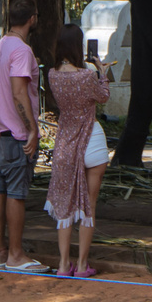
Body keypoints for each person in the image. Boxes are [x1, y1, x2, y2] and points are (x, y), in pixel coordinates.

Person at [43, 24, 110, 278]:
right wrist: (102, 73)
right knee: (88, 206)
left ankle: (63, 265)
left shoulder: (52, 75)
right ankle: (82, 265)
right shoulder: (86, 76)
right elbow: (103, 97)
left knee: (64, 205)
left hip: (65, 145)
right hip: (91, 140)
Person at [0, 0, 47, 273]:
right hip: (16, 132)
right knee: (16, 193)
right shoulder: (22, 51)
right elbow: (19, 91)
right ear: (32, 19)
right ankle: (16, 254)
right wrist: (32, 128)